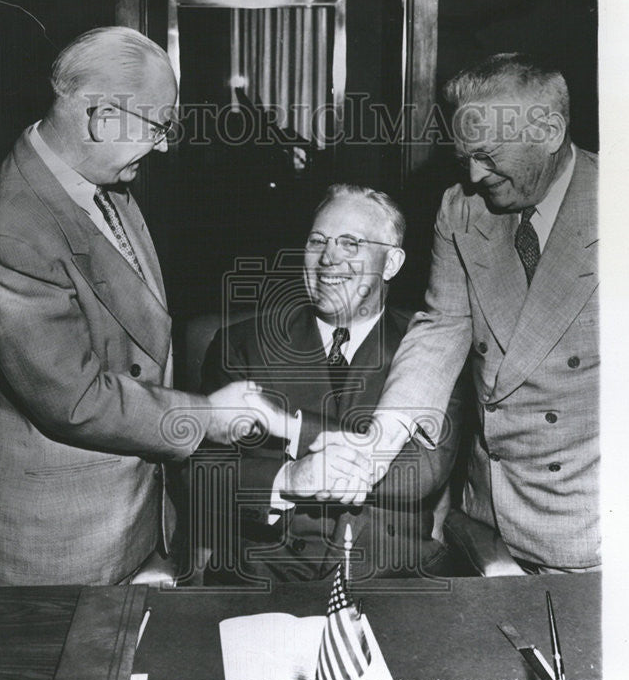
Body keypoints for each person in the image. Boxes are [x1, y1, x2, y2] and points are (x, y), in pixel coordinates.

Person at [0, 26, 282, 585]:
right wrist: (206, 416)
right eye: (158, 125)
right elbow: (73, 398)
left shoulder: (107, 186)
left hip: (133, 518)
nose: (166, 143)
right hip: (67, 541)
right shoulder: (15, 227)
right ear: (99, 115)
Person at [320, 54, 599, 573]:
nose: (473, 174)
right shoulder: (461, 208)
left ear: (550, 130)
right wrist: (377, 448)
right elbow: (440, 331)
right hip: (488, 510)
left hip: (591, 524)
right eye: (464, 156)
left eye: (489, 155)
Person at [199, 184, 466, 583]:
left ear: (391, 263)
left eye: (351, 243)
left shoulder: (433, 347)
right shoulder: (242, 344)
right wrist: (288, 481)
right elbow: (207, 474)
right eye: (317, 241)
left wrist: (289, 428)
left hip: (392, 580)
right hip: (266, 578)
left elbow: (422, 471)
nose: (328, 258)